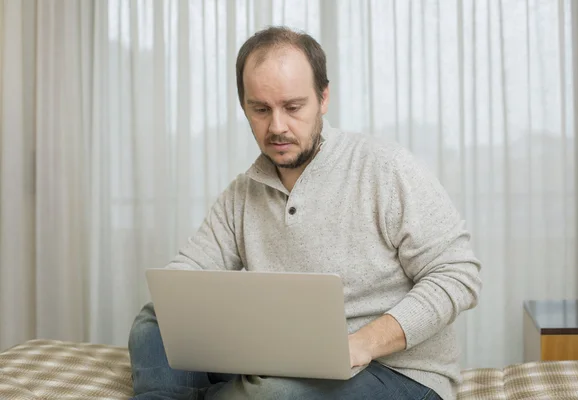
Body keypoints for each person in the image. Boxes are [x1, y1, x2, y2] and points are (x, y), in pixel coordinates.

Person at [128, 26, 482, 400]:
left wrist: (362, 344)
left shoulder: (385, 168)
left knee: (274, 393)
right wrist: (189, 308)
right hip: (282, 357)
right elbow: (185, 280)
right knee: (158, 319)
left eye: (293, 107)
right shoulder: (243, 193)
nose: (277, 127)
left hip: (396, 372)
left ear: (323, 98)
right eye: (260, 109)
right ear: (244, 105)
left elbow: (458, 274)